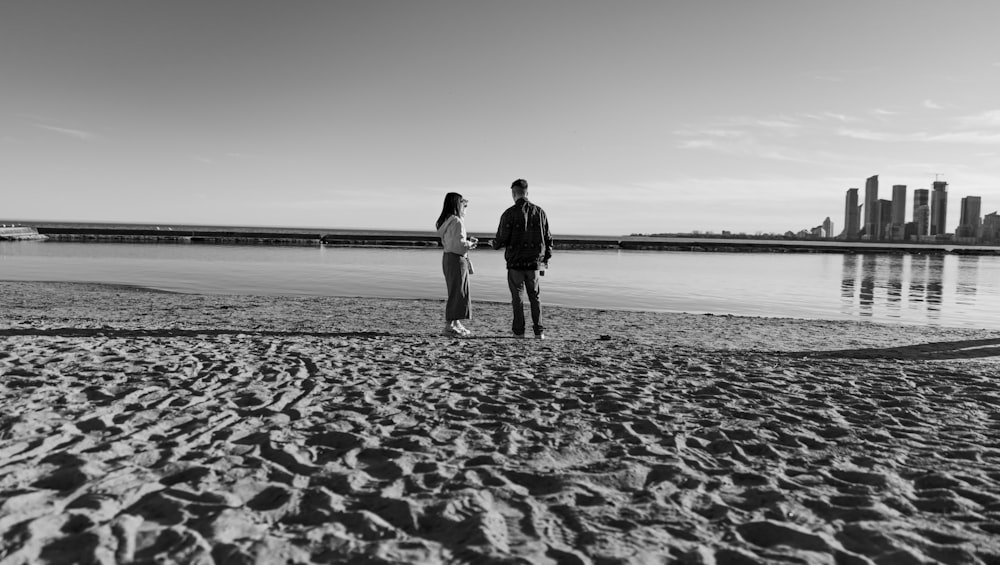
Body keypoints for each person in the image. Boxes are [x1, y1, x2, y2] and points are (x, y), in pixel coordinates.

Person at [491, 179, 553, 339]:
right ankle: (539, 332)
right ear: (527, 192)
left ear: (513, 193)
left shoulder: (509, 213)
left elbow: (501, 239)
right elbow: (548, 239)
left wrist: (494, 244)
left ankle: (519, 332)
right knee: (535, 297)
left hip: (515, 263)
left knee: (517, 298)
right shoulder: (540, 212)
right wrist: (546, 260)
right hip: (535, 263)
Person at [435, 192, 478, 337]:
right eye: (463, 204)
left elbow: (452, 241)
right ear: (457, 204)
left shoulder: (446, 220)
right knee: (458, 292)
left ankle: (455, 322)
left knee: (457, 291)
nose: (465, 207)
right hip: (456, 259)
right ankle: (449, 325)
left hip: (448, 257)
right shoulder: (457, 221)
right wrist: (470, 244)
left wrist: (466, 242)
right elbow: (458, 245)